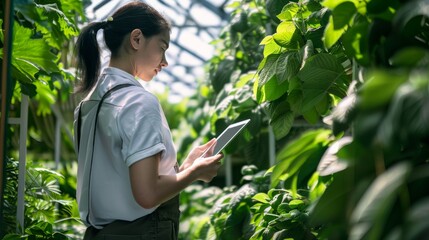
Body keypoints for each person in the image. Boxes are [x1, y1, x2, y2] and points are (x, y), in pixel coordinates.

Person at [73, 1, 223, 239]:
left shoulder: (87, 104)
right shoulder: (138, 102)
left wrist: (183, 168)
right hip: (142, 231)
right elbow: (147, 195)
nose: (165, 62)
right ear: (136, 39)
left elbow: (120, 180)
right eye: (162, 47)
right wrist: (194, 173)